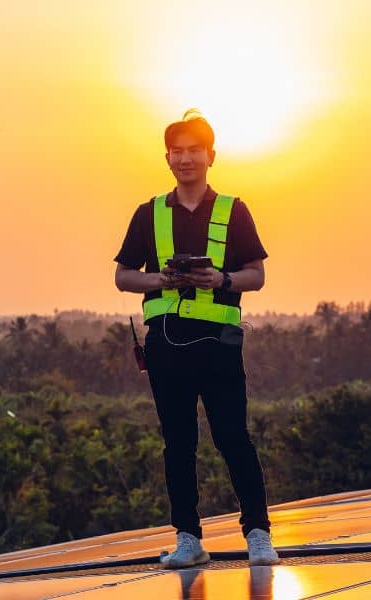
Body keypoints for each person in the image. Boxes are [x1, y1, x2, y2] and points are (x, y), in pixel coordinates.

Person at [113, 111, 279, 568]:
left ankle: (259, 535)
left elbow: (257, 276)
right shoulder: (149, 213)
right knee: (178, 443)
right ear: (167, 157)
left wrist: (220, 278)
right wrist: (161, 280)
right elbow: (123, 276)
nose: (185, 158)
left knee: (233, 438)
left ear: (211, 156)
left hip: (219, 342)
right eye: (177, 151)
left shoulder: (233, 210)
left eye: (194, 150)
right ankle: (188, 537)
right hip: (166, 343)